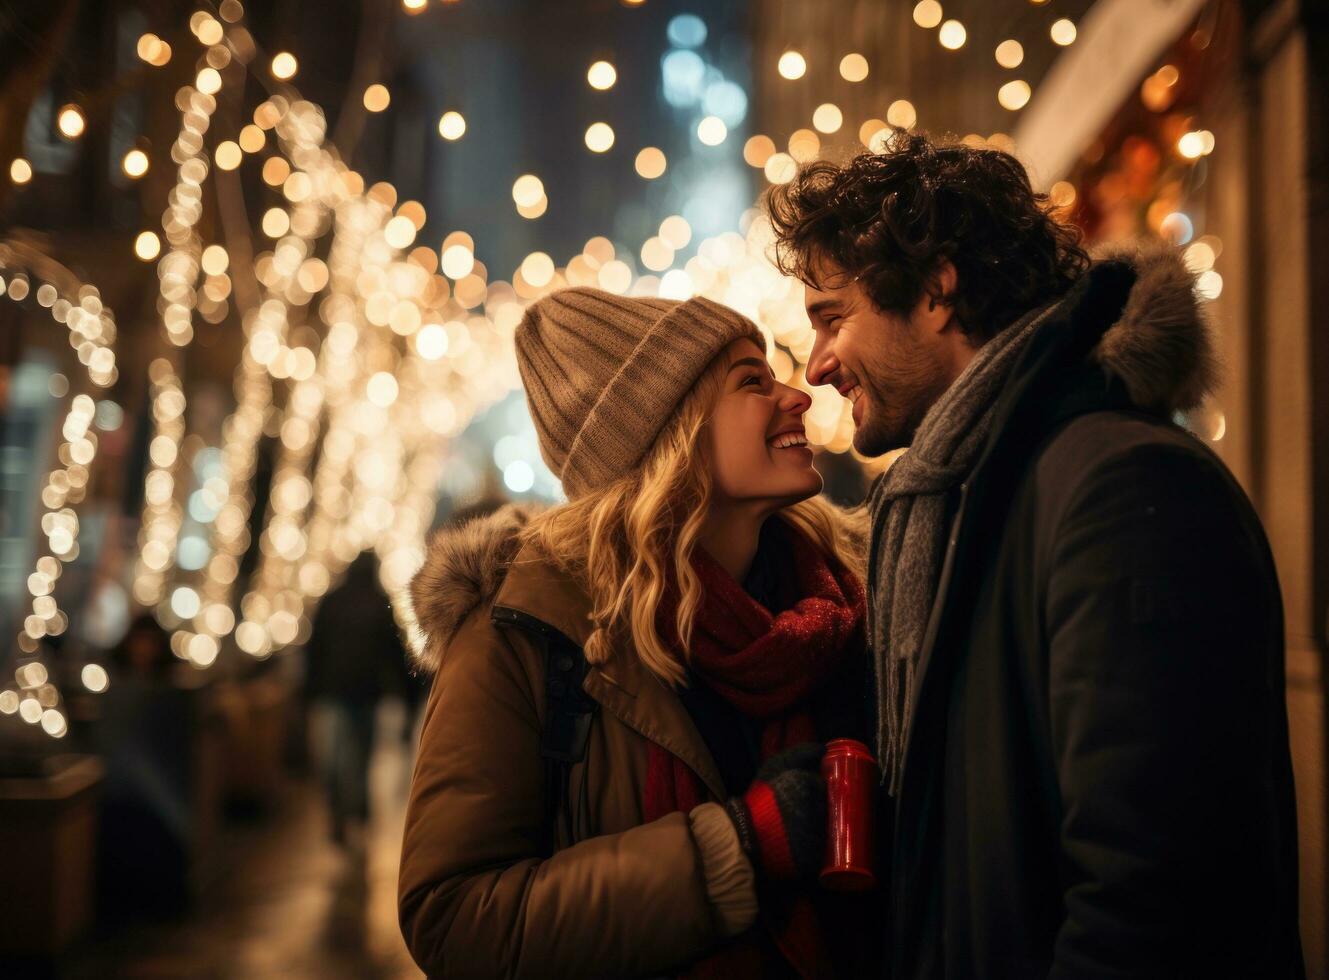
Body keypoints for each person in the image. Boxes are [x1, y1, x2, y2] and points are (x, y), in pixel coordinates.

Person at [765, 130, 1303, 978]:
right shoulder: (960, 495)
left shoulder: (1119, 489)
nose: (819, 364)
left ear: (938, 290)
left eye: (833, 318)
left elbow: (1158, 905)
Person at [399, 288, 877, 978]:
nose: (797, 395)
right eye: (752, 381)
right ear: (669, 434)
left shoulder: (844, 595)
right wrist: (741, 849)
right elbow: (452, 917)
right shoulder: (525, 630)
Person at [305, 549, 413, 847]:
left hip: (335, 693)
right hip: (365, 695)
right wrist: (405, 695)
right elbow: (396, 656)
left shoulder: (333, 601)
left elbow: (314, 648)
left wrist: (310, 691)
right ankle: (358, 814)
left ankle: (342, 815)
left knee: (336, 761)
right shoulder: (379, 603)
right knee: (359, 759)